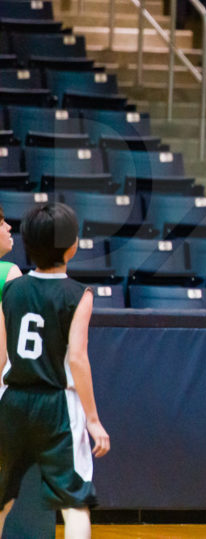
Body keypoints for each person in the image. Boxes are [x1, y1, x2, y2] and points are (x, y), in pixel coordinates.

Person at [0, 203, 110, 539]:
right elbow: (77, 358)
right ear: (72, 246)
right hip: (57, 406)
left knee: (3, 501)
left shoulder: (12, 288)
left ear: (27, 244)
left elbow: (4, 351)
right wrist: (92, 418)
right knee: (74, 505)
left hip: (14, 400)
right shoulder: (79, 295)